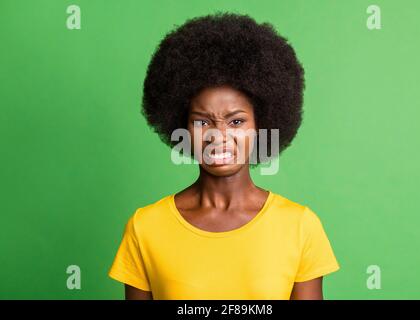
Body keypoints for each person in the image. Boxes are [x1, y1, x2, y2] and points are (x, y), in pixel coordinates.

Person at [109, 12, 339, 300]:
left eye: (236, 121)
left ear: (262, 126)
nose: (218, 136)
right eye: (202, 122)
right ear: (182, 128)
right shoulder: (146, 227)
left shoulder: (300, 226)